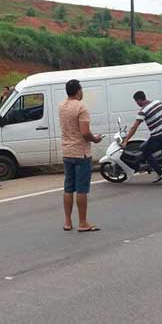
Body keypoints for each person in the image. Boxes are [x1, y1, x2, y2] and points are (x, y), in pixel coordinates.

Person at [59, 79, 103, 232]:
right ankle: (83, 222)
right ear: (78, 91)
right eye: (81, 89)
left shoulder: (62, 106)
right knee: (82, 189)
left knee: (68, 188)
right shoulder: (81, 107)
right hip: (81, 152)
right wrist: (95, 139)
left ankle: (67, 222)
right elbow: (84, 132)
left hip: (67, 151)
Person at [122, 91, 162, 184]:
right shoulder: (157, 102)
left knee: (145, 151)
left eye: (137, 102)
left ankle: (160, 173)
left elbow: (134, 127)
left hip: (157, 136)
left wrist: (126, 140)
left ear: (139, 100)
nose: (137, 104)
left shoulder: (143, 111)